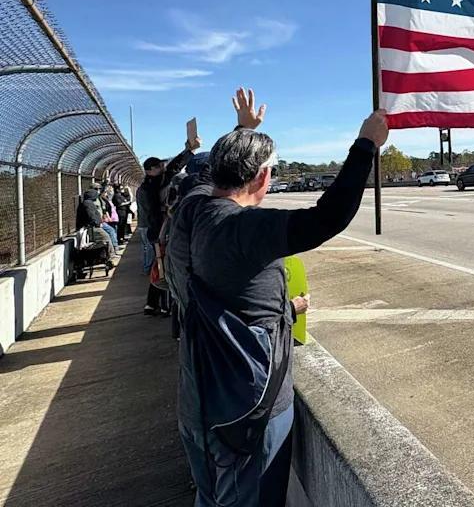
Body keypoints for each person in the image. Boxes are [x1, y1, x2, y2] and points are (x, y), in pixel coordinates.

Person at [166, 88, 387, 507]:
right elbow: (329, 216)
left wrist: (243, 131)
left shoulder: (192, 209)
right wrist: (366, 145)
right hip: (244, 412)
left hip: (197, 397)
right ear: (263, 177)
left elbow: (227, 299)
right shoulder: (244, 229)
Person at [138, 135, 201, 315]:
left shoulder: (150, 184)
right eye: (158, 166)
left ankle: (152, 304)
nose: (163, 168)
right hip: (160, 232)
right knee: (165, 267)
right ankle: (164, 306)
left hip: (157, 232)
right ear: (149, 170)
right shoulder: (149, 188)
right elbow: (172, 170)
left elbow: (172, 168)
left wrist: (189, 150)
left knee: (160, 266)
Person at [75, 188, 119, 267]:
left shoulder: (86, 203)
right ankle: (110, 256)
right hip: (92, 228)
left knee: (107, 236)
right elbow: (92, 215)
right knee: (106, 237)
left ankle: (109, 255)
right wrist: (97, 223)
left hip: (90, 227)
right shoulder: (88, 204)